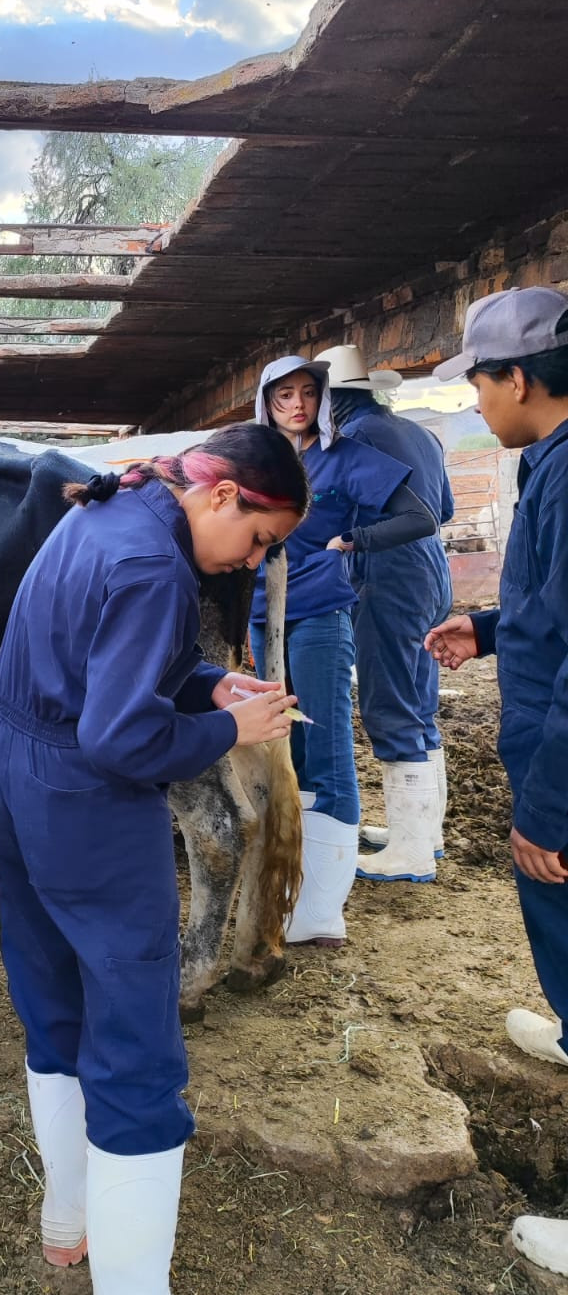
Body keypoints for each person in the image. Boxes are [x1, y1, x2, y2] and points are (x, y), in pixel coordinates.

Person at [0, 424, 308, 1295]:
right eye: (259, 540)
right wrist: (229, 735)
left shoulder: (104, 511)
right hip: (83, 797)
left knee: (53, 998)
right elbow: (120, 738)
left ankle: (69, 1216)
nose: (252, 558)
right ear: (223, 496)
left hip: (13, 767)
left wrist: (211, 687)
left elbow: (107, 663)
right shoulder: (156, 567)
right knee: (135, 1042)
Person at [424, 286, 568, 1276]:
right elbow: (556, 612)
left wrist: (552, 805)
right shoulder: (551, 464)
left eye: (478, 381)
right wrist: (488, 628)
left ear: (517, 376)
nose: (475, 402)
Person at [250, 356, 438, 946]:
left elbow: (422, 516)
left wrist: (353, 538)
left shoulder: (349, 455)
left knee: (326, 743)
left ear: (326, 398)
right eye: (284, 396)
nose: (297, 405)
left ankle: (324, 912)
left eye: (309, 393)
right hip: (258, 619)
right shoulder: (252, 457)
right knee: (281, 745)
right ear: (266, 401)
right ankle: (290, 882)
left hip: (319, 616)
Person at [312, 343, 456, 884]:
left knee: (389, 702)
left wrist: (347, 541)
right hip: (431, 569)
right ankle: (423, 833)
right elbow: (443, 510)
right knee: (419, 697)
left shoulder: (359, 437)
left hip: (389, 574)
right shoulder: (421, 432)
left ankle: (411, 854)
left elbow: (354, 508)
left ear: (332, 400)